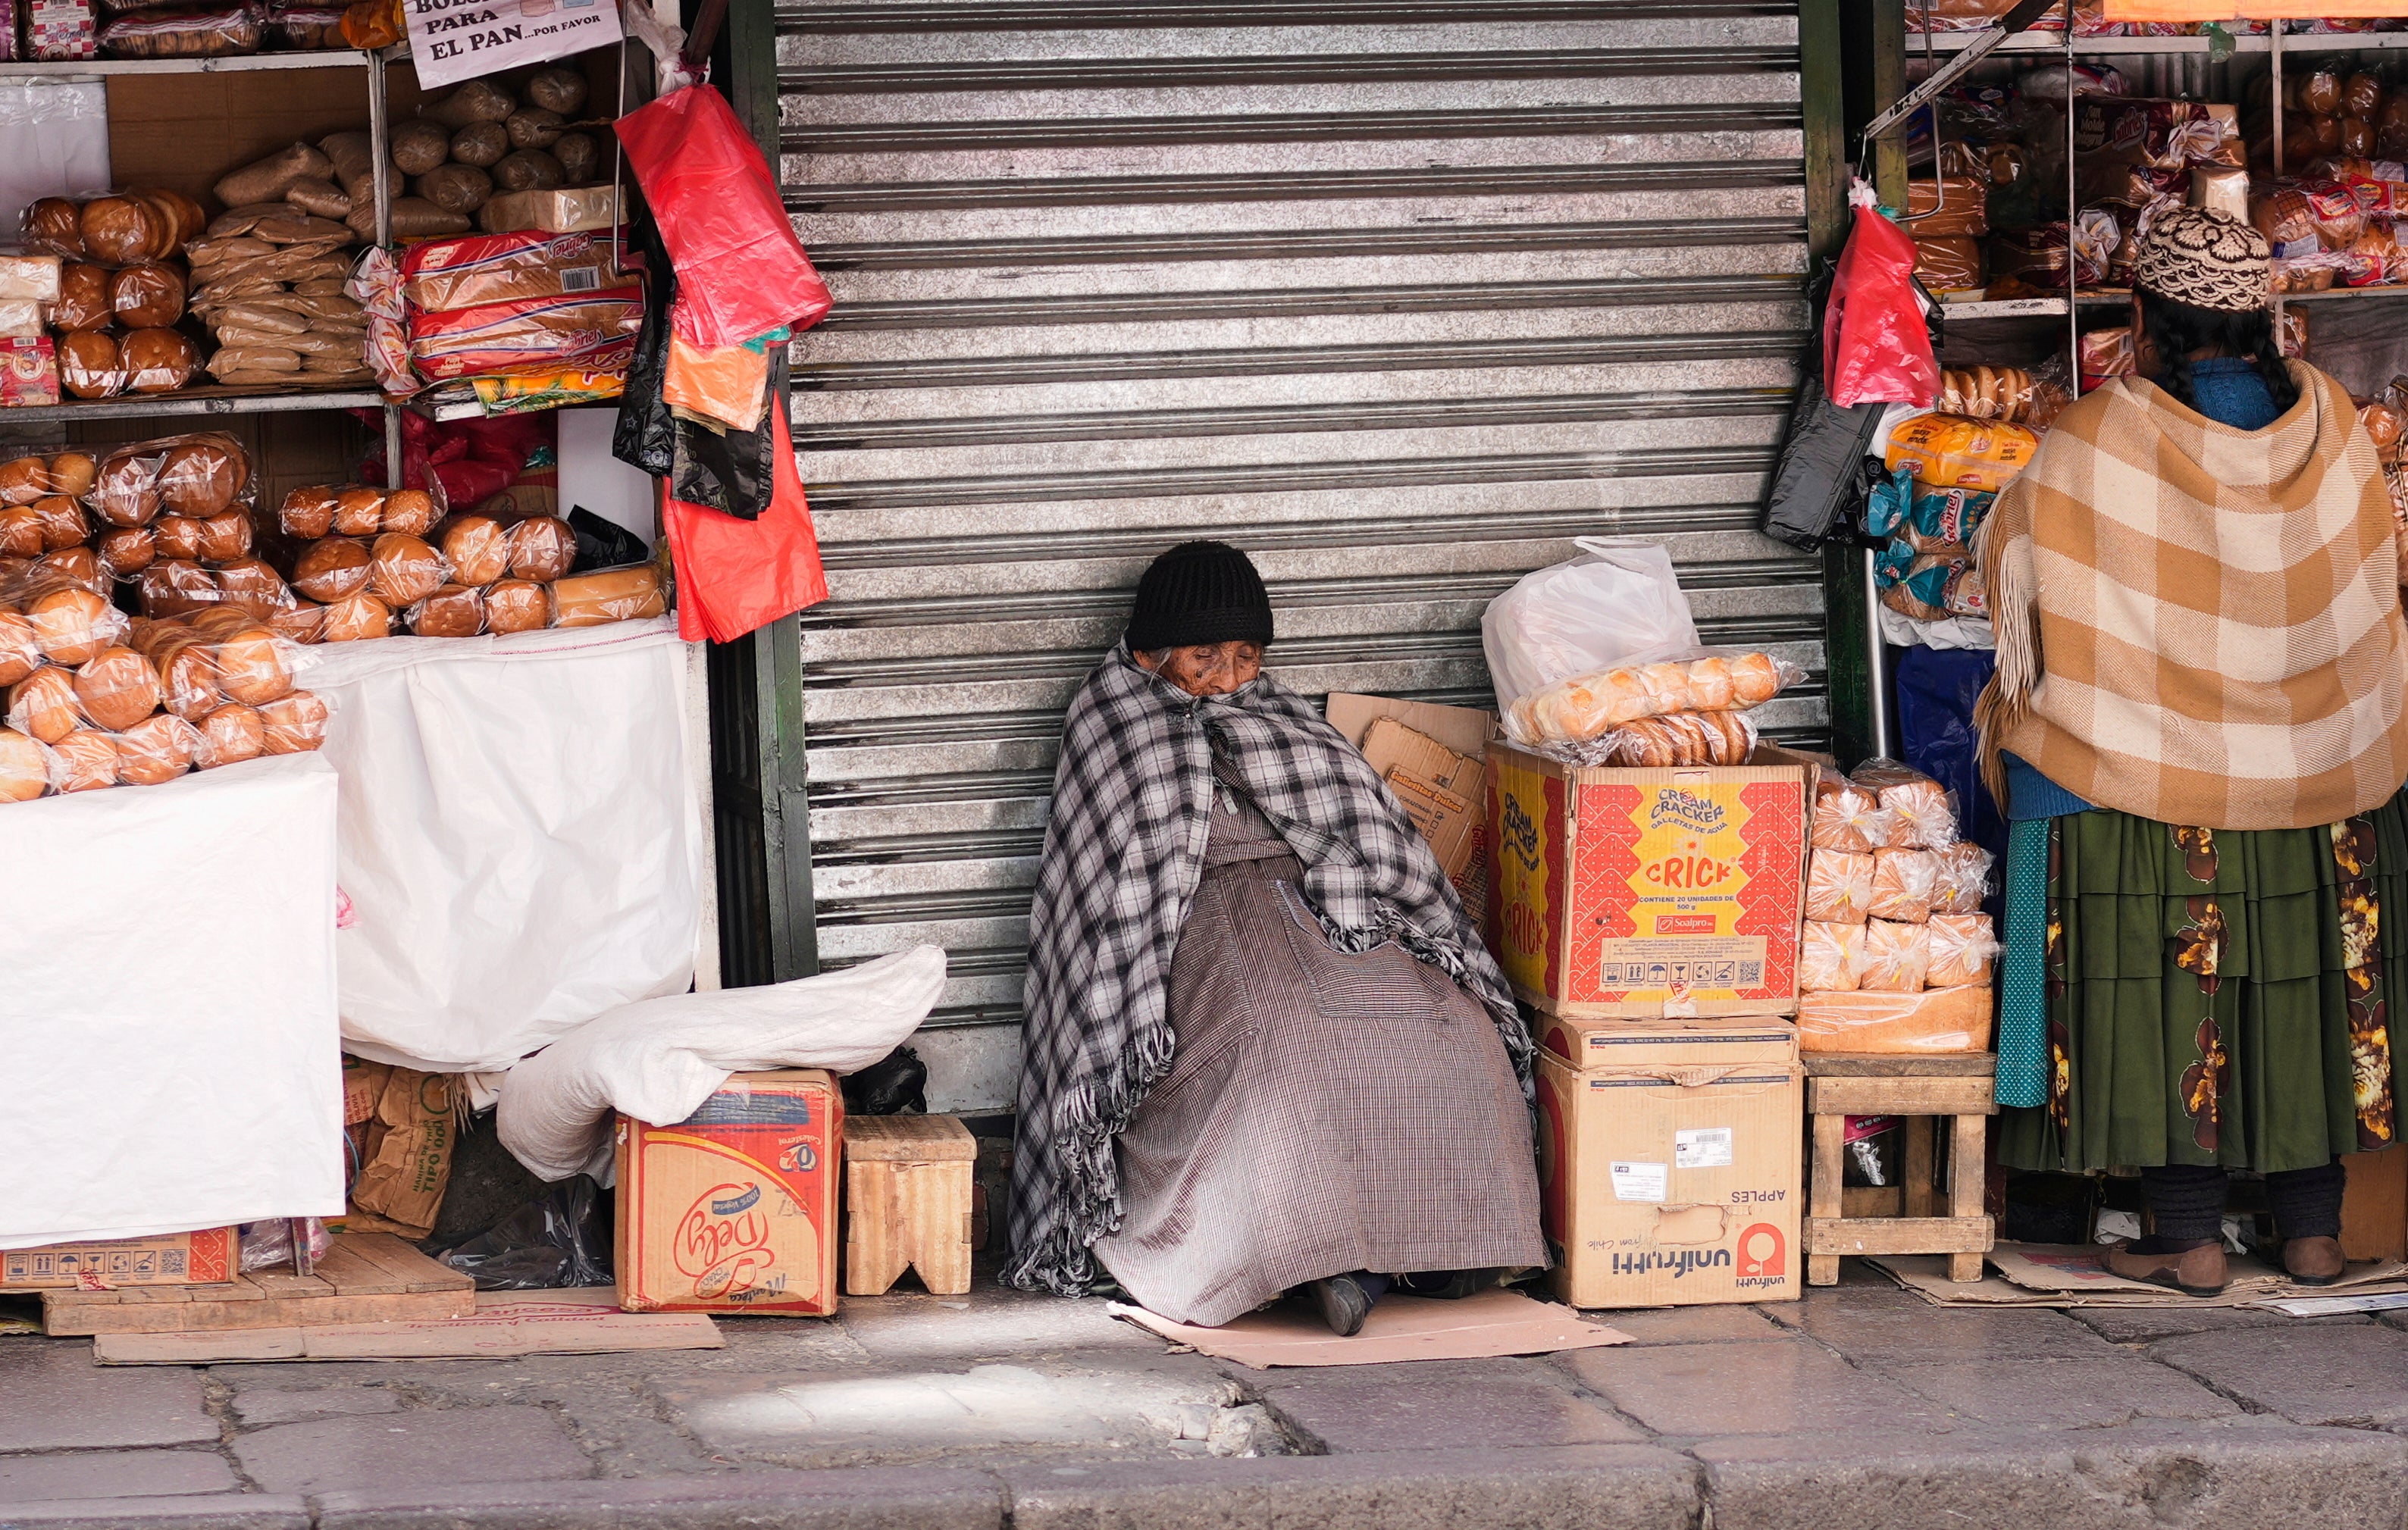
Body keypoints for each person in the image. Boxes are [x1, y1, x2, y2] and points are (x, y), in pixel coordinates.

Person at [1979, 207, 2408, 1297]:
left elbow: (2029, 595)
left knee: (2177, 993)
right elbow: (2373, 599)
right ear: (2268, 319)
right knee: (2304, 990)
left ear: (2144, 316)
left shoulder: (2090, 438)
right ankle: (2311, 1230)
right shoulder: (2344, 432)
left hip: (2146, 771)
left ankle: (2189, 1233)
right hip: (2321, 773)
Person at [1000, 540, 1545, 1334]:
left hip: (1330, 898)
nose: (1226, 679)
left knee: (1454, 1032)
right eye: (1204, 657)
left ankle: (1442, 1246)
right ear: (1152, 651)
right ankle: (1318, 1261)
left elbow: (1361, 823)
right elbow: (1110, 891)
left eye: (1245, 657)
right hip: (1186, 920)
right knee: (1280, 1050)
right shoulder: (1112, 718)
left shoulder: (1275, 713)